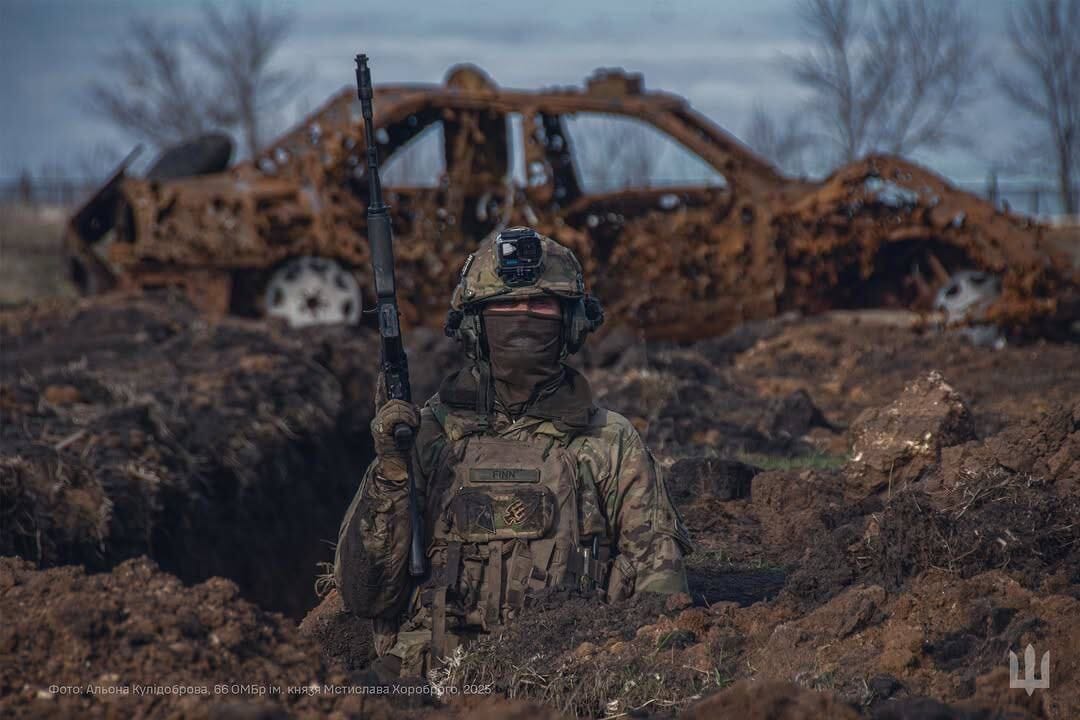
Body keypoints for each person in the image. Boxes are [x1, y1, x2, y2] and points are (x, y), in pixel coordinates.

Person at [334, 226, 692, 677]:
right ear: (473, 327)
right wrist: (389, 472)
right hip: (426, 682)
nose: (523, 316)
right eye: (504, 306)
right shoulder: (424, 438)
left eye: (540, 305)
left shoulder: (610, 442)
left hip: (565, 678)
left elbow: (660, 592)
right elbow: (365, 596)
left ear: (572, 324)